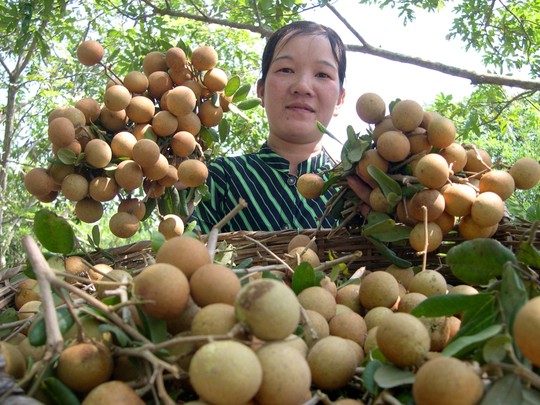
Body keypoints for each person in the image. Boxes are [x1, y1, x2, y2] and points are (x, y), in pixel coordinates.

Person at [191, 20, 370, 233]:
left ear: (340, 99)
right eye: (286, 70)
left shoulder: (356, 188)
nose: (303, 87)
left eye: (322, 74)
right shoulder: (220, 177)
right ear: (261, 91)